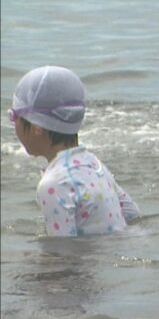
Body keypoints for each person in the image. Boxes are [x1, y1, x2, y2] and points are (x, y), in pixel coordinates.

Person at [9, 65, 140, 237]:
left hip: (91, 263)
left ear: (37, 127)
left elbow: (62, 252)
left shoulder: (53, 184)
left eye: (13, 116)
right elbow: (132, 213)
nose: (13, 124)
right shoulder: (92, 162)